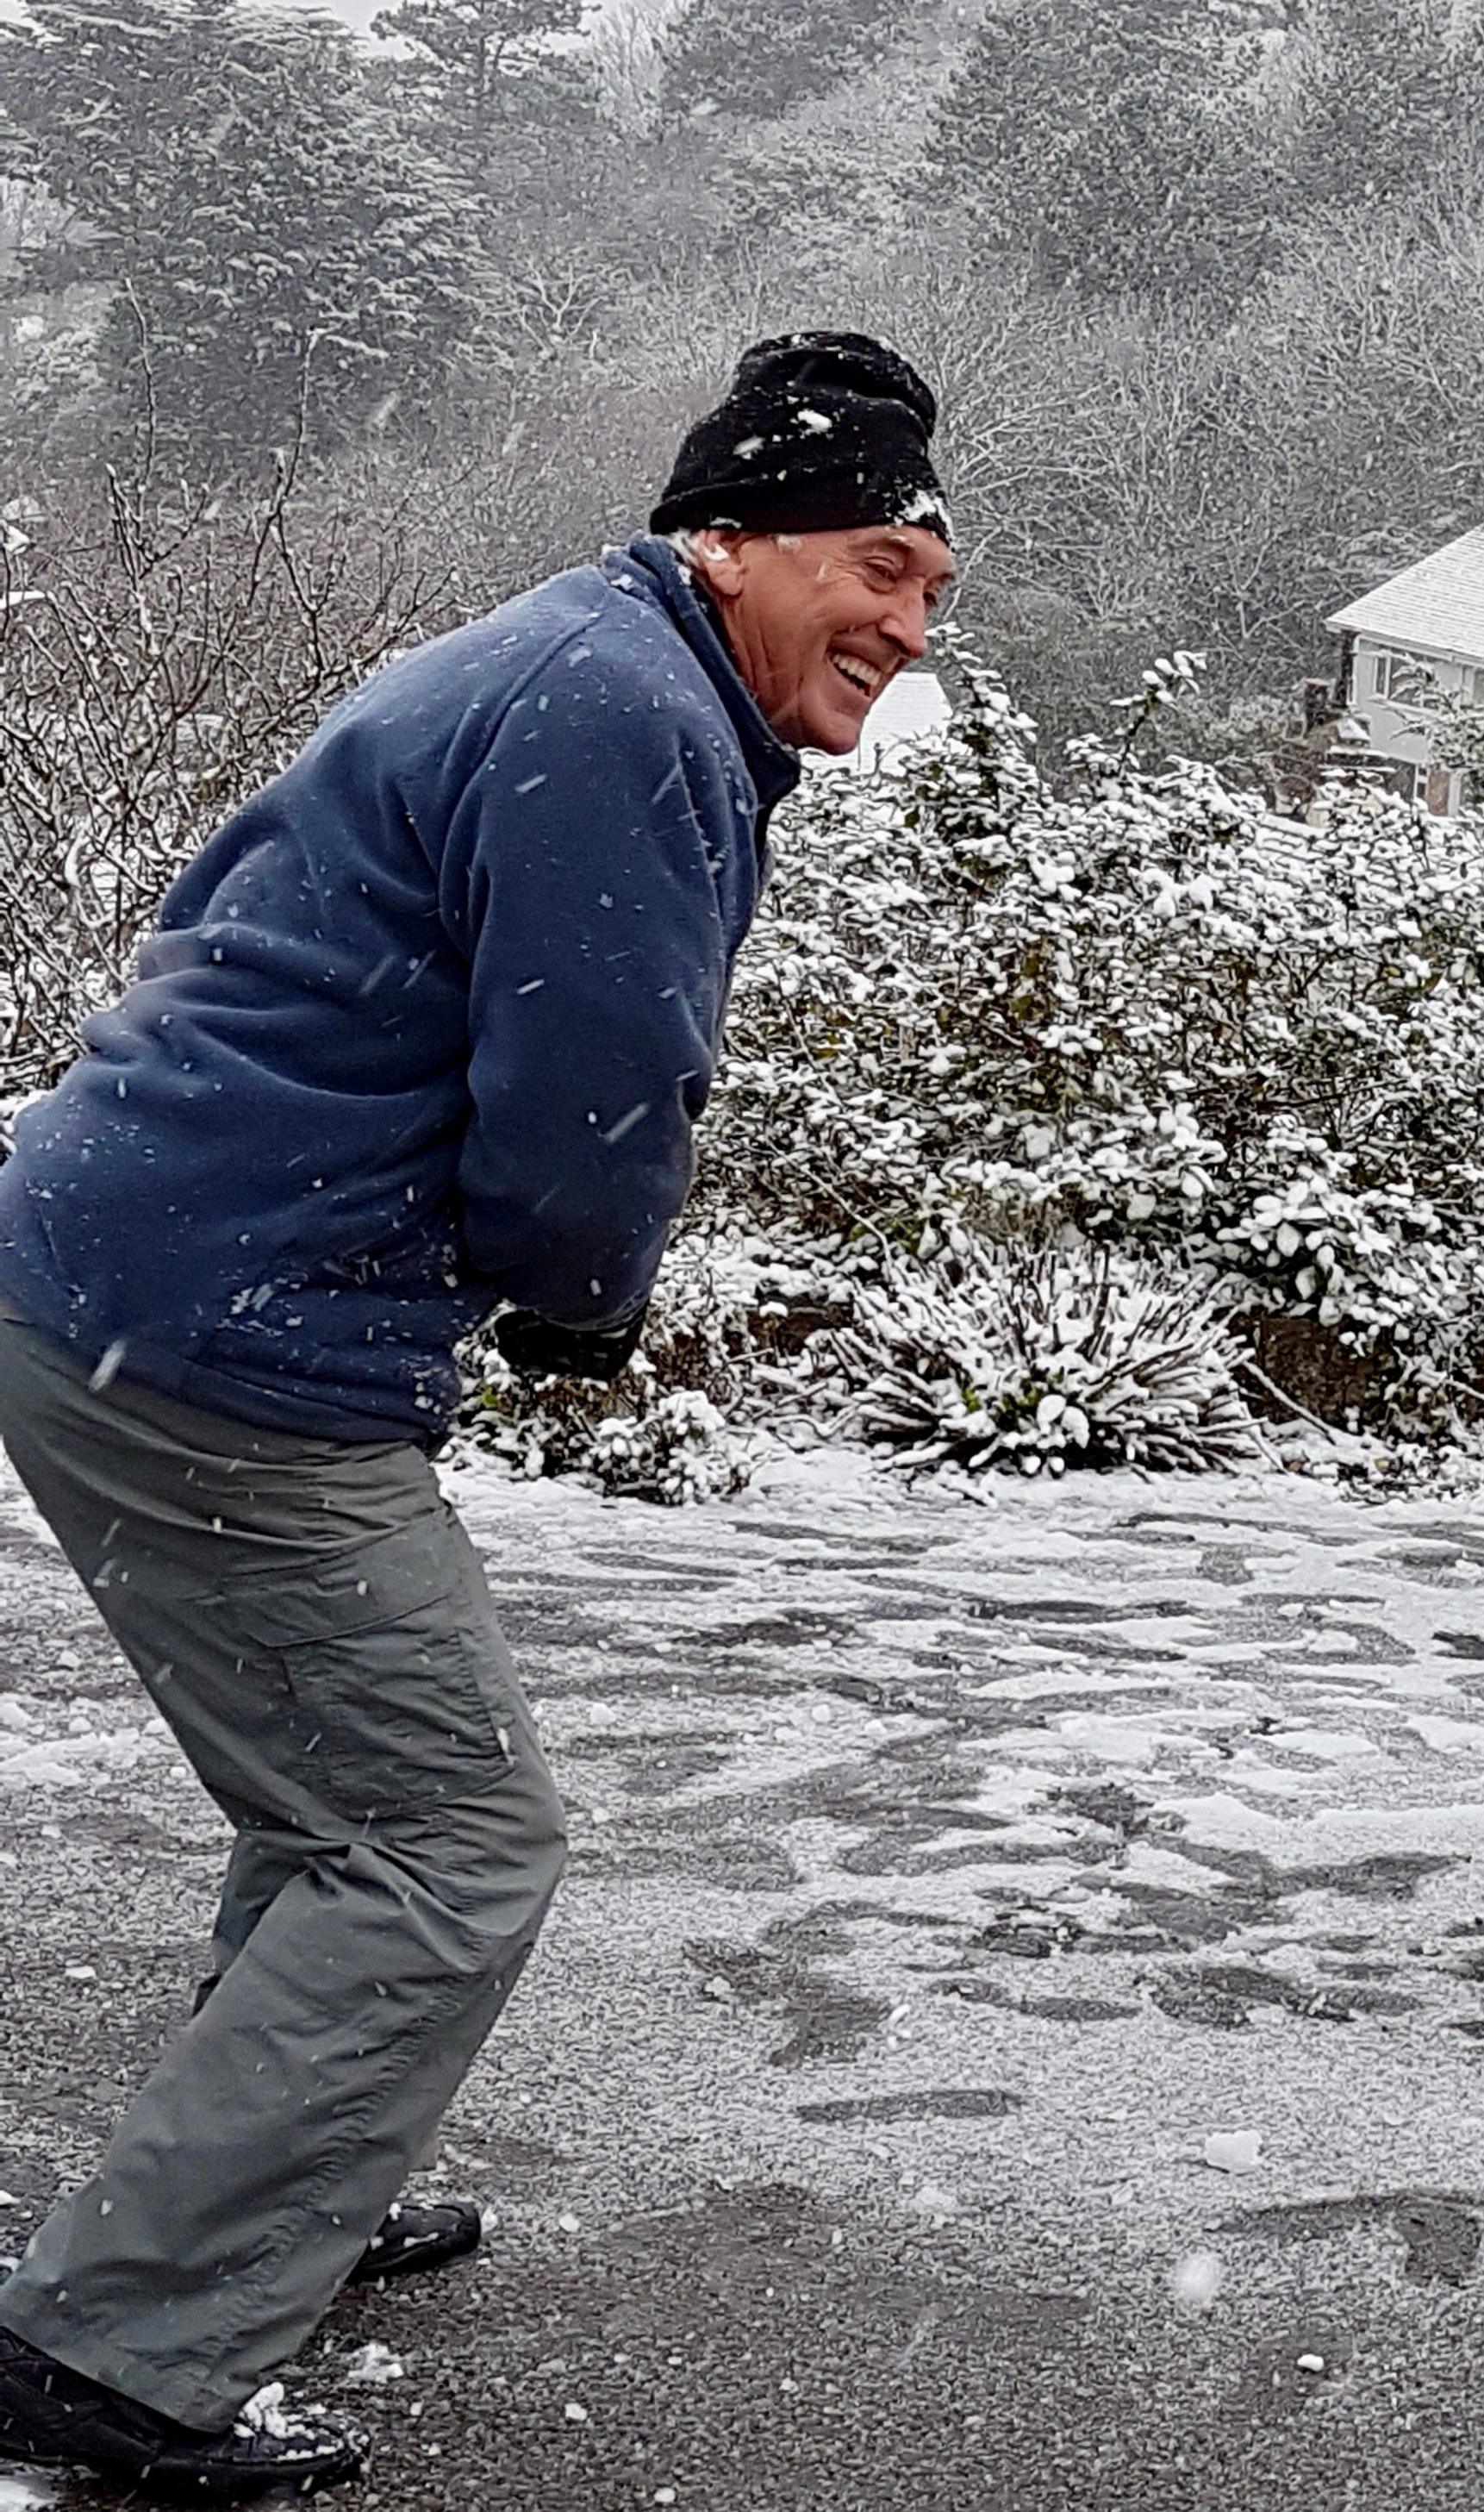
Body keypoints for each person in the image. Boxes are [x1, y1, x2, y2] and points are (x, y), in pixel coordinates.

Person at [0, 331, 956, 2498]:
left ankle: (255, 2216)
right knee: (441, 1836)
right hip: (221, 1331)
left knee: (339, 1797)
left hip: (135, 1275)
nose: (905, 626)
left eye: (934, 592)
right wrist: (577, 1305)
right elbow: (595, 1080)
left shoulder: (576, 661)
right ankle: (118, 2348)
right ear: (733, 543)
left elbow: (236, 917)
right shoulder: (627, 714)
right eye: (876, 567)